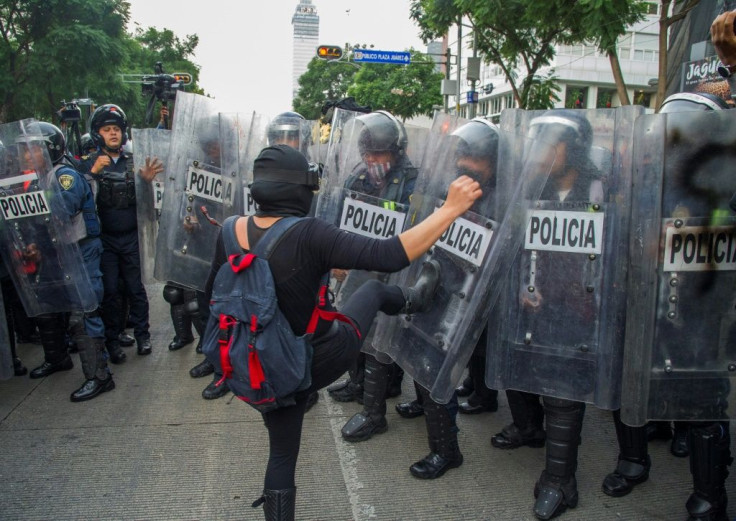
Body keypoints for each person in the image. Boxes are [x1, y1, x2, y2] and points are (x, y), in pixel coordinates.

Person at [205, 144, 480, 520]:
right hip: (314, 361)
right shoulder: (310, 233)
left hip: (255, 368)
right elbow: (389, 255)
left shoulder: (228, 230)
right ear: (301, 189)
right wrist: (450, 209)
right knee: (373, 290)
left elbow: (213, 298)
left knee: (282, 455)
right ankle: (416, 300)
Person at [604, 91, 733, 521]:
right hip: (645, 298)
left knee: (700, 396)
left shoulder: (724, 189)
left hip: (701, 307)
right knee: (633, 378)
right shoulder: (643, 184)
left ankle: (709, 495)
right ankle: (633, 460)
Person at [403, 118, 501, 480]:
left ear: (493, 164)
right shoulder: (448, 191)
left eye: (476, 160)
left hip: (473, 300)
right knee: (423, 360)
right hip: (439, 290)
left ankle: (447, 450)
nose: (467, 165)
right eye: (462, 156)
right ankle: (442, 444)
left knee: (442, 369)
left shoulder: (502, 202)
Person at [335, 110, 418, 443]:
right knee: (354, 328)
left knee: (380, 343)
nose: (372, 160)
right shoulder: (358, 178)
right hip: (360, 270)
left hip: (394, 274)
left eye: (379, 154)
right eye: (368, 153)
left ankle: (374, 413)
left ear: (396, 152)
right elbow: (343, 221)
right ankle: (359, 384)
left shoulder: (412, 182)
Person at [20, 122, 115, 401]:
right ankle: (58, 359)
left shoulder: (64, 176)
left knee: (84, 313)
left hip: (82, 251)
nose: (26, 155)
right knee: (50, 307)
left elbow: (62, 210)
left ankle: (100, 376)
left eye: (33, 149)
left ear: (49, 149)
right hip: (61, 253)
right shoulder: (41, 177)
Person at [79, 104, 157, 362]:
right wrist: (92, 174)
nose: (113, 133)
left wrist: (146, 182)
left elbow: (149, 205)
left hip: (132, 237)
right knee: (110, 291)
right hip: (106, 240)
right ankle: (112, 341)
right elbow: (79, 201)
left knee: (136, 288)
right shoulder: (87, 165)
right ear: (97, 133)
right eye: (106, 129)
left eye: (116, 129)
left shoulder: (135, 163)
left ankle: (143, 335)